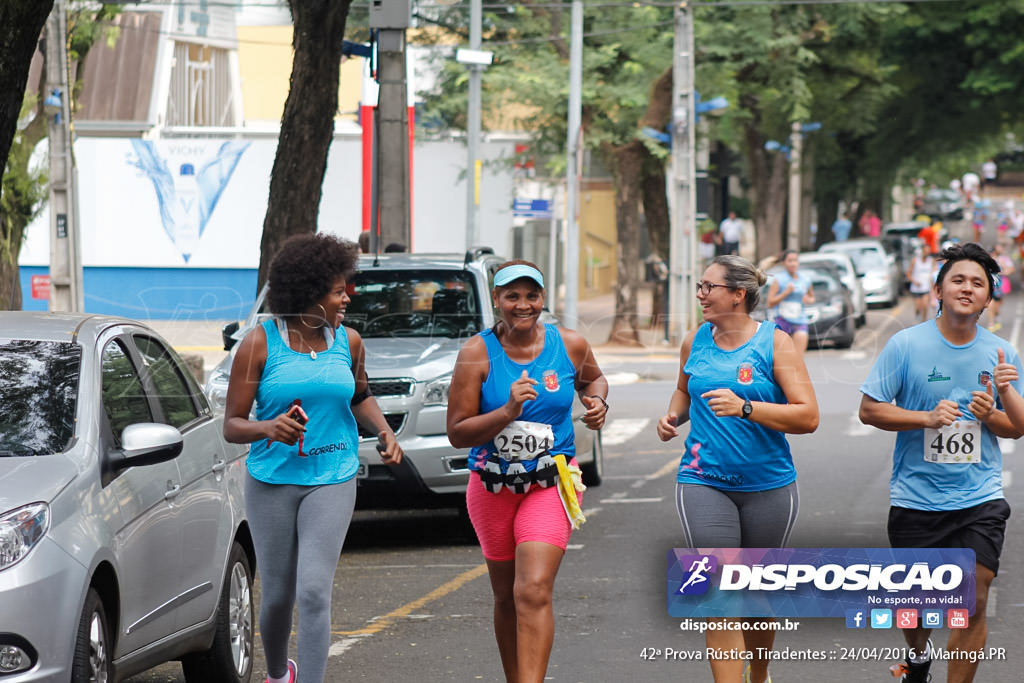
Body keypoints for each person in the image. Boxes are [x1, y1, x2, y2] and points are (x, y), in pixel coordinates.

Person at [223, 233, 403, 683]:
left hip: (333, 475)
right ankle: (279, 674)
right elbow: (232, 425)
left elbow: (360, 396)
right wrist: (268, 428)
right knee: (279, 596)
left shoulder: (350, 341)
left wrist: (383, 431)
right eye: (339, 290)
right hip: (271, 480)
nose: (348, 297)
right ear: (309, 292)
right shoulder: (258, 345)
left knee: (314, 591)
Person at [859, 242, 1023, 683]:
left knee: (973, 598)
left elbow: (1016, 427)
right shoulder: (906, 345)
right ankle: (918, 656)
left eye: (978, 283)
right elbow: (870, 410)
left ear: (989, 298)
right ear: (938, 290)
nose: (967, 288)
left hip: (979, 497)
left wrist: (992, 413)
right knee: (914, 611)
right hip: (916, 498)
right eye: (958, 279)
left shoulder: (1002, 354)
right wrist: (925, 418)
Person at [656, 255, 819, 683]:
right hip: (703, 480)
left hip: (769, 485)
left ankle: (759, 674)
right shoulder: (696, 340)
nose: (700, 294)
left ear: (738, 295)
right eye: (700, 286)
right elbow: (682, 389)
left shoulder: (774, 343)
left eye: (709, 287)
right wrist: (673, 417)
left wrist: (746, 407)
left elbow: (808, 417)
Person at [446, 260, 608, 683]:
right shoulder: (476, 353)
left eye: (531, 296)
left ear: (543, 299)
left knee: (532, 589)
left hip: (551, 481)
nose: (523, 305)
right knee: (505, 595)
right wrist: (507, 411)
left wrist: (597, 403)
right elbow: (458, 434)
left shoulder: (569, 344)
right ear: (496, 300)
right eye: (512, 296)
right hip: (491, 485)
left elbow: (594, 380)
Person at [766, 250, 815, 355]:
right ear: (783, 263)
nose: (793, 263)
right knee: (783, 356)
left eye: (795, 260)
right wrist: (785, 293)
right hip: (782, 320)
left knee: (798, 356)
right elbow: (770, 303)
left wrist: (807, 300)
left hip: (800, 320)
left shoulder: (805, 279)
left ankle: (796, 371)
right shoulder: (778, 279)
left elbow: (812, 298)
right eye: (790, 261)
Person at [987, 243, 1014, 331]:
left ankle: (997, 316)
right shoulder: (985, 262)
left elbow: (1011, 270)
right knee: (990, 305)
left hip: (1000, 286)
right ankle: (991, 324)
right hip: (990, 286)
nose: (991, 255)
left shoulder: (1003, 260)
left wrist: (1003, 271)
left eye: (992, 253)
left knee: (997, 307)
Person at [906, 247, 937, 322]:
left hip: (926, 288)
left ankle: (923, 321)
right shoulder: (915, 261)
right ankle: (917, 314)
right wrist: (914, 282)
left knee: (925, 305)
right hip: (916, 288)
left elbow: (934, 272)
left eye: (928, 252)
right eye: (926, 251)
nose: (927, 253)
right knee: (918, 307)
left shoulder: (931, 261)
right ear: (922, 251)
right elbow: (908, 273)